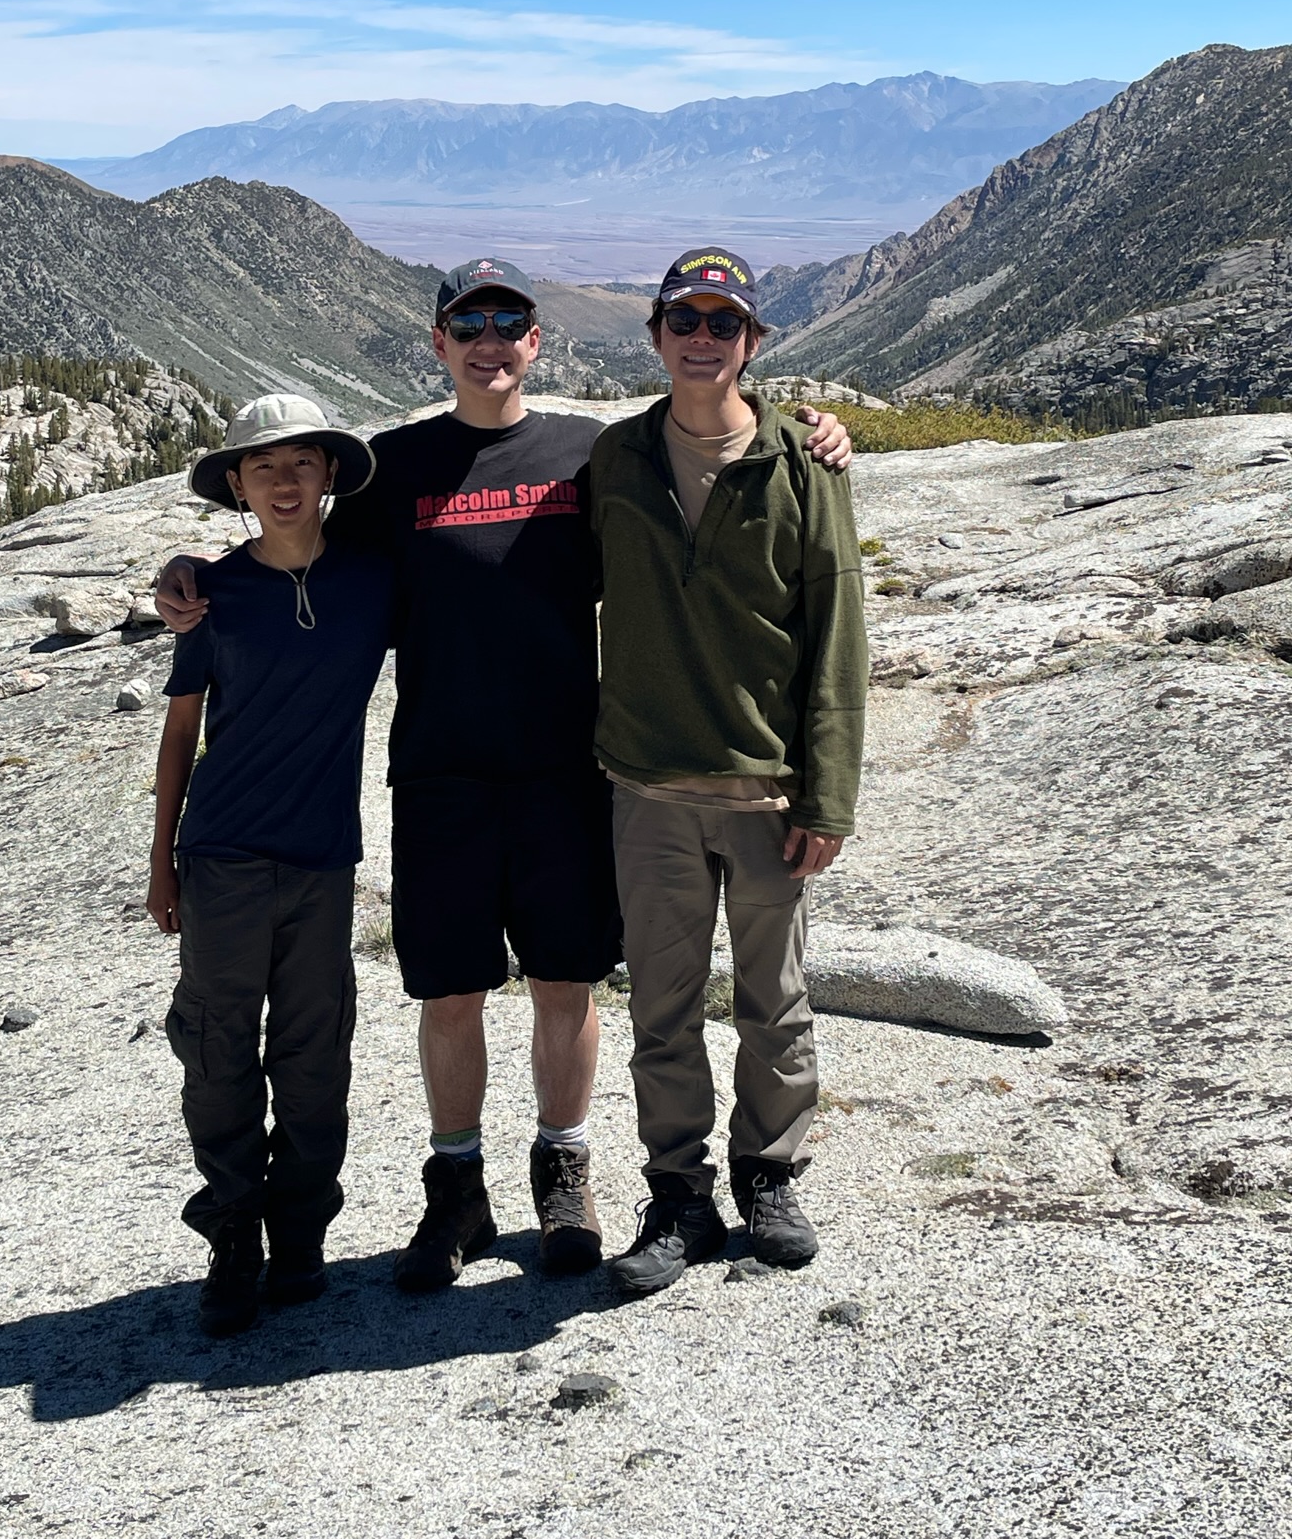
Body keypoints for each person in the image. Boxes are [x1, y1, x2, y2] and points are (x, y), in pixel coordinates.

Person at [154, 258, 855, 1291]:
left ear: (536, 341)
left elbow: (709, 486)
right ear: (439, 343)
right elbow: (296, 544)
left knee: (567, 983)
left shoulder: (591, 453)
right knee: (451, 992)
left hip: (568, 770)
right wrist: (191, 577)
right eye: (468, 323)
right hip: (440, 774)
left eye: (508, 322)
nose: (489, 340)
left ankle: (564, 1171)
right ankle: (457, 1189)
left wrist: (815, 433)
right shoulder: (393, 470)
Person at [588, 247, 868, 1298]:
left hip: (766, 792)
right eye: (685, 320)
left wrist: (829, 795)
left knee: (775, 1001)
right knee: (660, 1008)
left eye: (723, 322)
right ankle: (677, 1194)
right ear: (656, 335)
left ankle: (770, 1174)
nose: (702, 338)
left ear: (753, 342)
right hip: (649, 788)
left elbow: (837, 633)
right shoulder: (616, 459)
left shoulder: (805, 463)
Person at [148, 394, 392, 1337]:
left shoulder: (372, 578)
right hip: (223, 857)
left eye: (301, 462)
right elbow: (181, 733)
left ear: (328, 474)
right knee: (217, 1053)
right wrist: (161, 861)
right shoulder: (211, 594)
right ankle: (232, 1239)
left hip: (324, 860)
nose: (284, 481)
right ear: (237, 486)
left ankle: (298, 1235)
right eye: (263, 466)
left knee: (314, 1055)